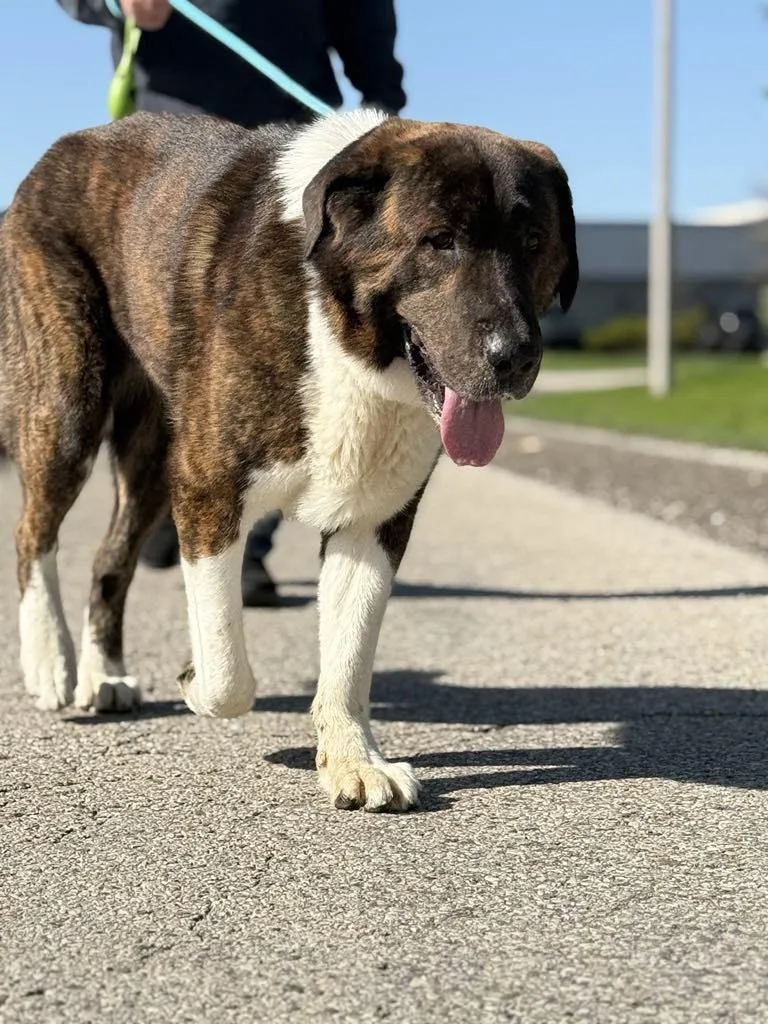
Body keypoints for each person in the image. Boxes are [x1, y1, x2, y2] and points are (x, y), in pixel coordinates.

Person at [56, 0, 406, 605]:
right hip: (169, 149)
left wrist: (383, 102)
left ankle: (247, 539)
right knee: (166, 351)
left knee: (278, 362)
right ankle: (163, 499)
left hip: (293, 142)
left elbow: (363, 11)